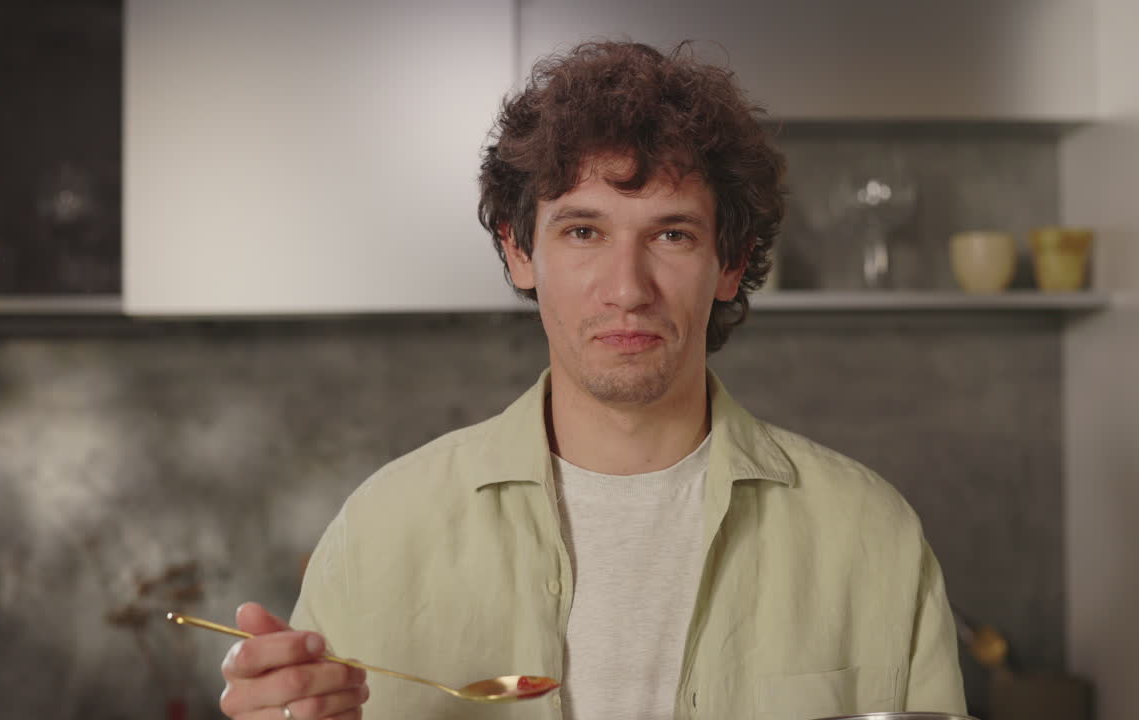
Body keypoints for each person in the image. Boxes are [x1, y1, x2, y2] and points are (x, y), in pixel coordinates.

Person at [218, 41, 966, 720]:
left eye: (672, 234)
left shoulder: (872, 535)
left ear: (730, 263)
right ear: (519, 253)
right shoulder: (380, 532)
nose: (627, 288)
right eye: (583, 232)